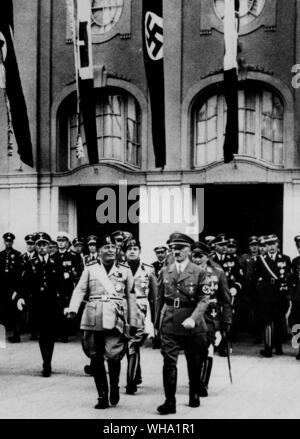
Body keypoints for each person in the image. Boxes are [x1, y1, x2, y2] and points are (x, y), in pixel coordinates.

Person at [67, 235, 138, 409]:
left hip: (116, 317)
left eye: (113, 247)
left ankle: (114, 387)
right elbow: (80, 290)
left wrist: (133, 320)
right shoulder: (90, 268)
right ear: (98, 251)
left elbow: (131, 297)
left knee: (114, 355)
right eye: (106, 247)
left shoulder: (125, 269)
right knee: (95, 356)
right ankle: (102, 395)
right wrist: (73, 309)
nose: (111, 250)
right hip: (93, 316)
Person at [155, 232, 209, 414]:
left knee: (194, 362)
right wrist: (157, 324)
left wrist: (193, 319)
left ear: (188, 250)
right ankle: (169, 401)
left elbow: (203, 300)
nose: (175, 251)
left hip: (192, 323)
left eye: (179, 248)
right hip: (170, 322)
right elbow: (159, 299)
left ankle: (194, 393)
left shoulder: (200, 272)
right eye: (173, 248)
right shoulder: (165, 271)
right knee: (169, 362)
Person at [191, 241, 232, 396]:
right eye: (194, 256)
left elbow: (226, 300)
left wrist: (226, 321)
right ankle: (195, 379)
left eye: (200, 256)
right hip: (190, 314)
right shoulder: (187, 271)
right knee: (194, 350)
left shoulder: (217, 273)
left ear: (207, 256)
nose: (196, 259)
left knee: (206, 347)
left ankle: (203, 383)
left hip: (210, 316)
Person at [20, 232, 62, 376]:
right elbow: (25, 284)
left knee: (50, 335)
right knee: (42, 335)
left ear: (49, 246)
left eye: (44, 245)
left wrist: (65, 303)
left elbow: (62, 285)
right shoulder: (30, 263)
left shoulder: (56, 262)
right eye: (39, 245)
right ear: (36, 247)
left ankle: (47, 362)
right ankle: (46, 361)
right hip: (37, 304)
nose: (42, 248)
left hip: (53, 305)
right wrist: (22, 298)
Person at [125, 238, 157, 394]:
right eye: (129, 248)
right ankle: (136, 375)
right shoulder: (118, 269)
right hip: (122, 309)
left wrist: (155, 319)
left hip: (140, 310)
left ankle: (130, 381)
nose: (132, 251)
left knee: (134, 342)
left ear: (139, 251)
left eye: (135, 248)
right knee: (126, 343)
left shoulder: (148, 270)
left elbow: (155, 296)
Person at [254, 234, 292, 357]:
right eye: (268, 244)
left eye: (273, 244)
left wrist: (288, 293)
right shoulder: (261, 259)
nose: (270, 247)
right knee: (267, 320)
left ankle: (278, 345)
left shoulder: (285, 259)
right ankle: (268, 347)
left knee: (279, 319)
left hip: (280, 292)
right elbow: (256, 277)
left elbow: (288, 277)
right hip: (266, 293)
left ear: (277, 244)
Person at [53, 231, 81, 342]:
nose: (60, 243)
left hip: (68, 287)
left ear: (67, 242)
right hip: (56, 286)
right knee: (56, 309)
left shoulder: (74, 256)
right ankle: (57, 333)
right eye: (59, 241)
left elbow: (78, 272)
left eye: (63, 241)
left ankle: (65, 334)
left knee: (66, 309)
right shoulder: (53, 256)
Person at [0, 232, 22, 343]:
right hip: (2, 287)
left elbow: (19, 273)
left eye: (10, 241)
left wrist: (16, 289)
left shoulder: (18, 255)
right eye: (6, 241)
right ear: (4, 242)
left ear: (13, 242)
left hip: (13, 287)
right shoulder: (0, 255)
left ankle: (16, 335)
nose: (8, 243)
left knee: (15, 312)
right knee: (1, 312)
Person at [21, 234, 38, 339]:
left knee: (35, 310)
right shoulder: (21, 257)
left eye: (32, 244)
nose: (30, 246)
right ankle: (23, 328)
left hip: (35, 287)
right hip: (24, 287)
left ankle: (34, 332)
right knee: (23, 308)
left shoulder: (38, 257)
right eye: (28, 244)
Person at [288, 235, 300, 359]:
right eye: (298, 247)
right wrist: (290, 294)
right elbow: (293, 280)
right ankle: (299, 347)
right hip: (298, 297)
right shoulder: (296, 261)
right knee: (294, 321)